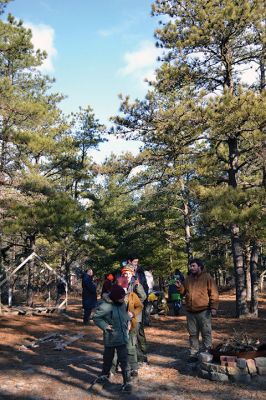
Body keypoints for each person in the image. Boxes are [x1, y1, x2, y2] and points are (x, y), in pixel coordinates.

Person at [175, 258, 219, 362]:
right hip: (190, 312)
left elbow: (214, 293)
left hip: (204, 311)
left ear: (200, 266)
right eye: (191, 266)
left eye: (193, 266)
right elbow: (182, 293)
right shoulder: (188, 278)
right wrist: (179, 287)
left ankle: (207, 353)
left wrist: (213, 307)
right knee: (193, 334)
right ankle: (194, 354)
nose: (191, 268)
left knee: (206, 333)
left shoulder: (207, 278)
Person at [93, 284, 132, 392]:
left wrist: (128, 319)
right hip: (111, 338)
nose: (123, 299)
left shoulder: (122, 303)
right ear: (115, 297)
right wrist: (105, 326)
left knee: (124, 360)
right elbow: (96, 318)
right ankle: (103, 376)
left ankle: (127, 381)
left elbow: (123, 315)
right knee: (108, 360)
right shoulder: (105, 306)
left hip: (123, 337)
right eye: (121, 297)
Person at [116, 275, 143, 376]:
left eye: (123, 286)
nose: (122, 288)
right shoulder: (113, 296)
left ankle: (134, 368)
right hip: (118, 325)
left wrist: (133, 313)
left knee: (131, 346)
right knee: (117, 348)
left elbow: (140, 306)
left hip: (131, 324)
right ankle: (113, 368)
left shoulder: (132, 295)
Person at [122, 262, 148, 364]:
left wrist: (133, 304)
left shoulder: (136, 284)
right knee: (130, 340)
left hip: (136, 316)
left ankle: (141, 359)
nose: (125, 275)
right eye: (124, 273)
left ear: (132, 273)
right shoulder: (122, 284)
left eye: (127, 273)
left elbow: (143, 297)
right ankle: (133, 360)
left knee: (136, 339)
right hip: (126, 316)